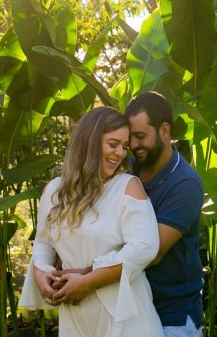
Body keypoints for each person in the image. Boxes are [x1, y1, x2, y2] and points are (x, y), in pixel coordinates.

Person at [18, 106, 164, 336]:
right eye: (113, 144)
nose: (120, 153)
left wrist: (87, 281)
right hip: (74, 312)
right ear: (90, 141)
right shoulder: (54, 191)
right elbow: (44, 242)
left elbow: (145, 248)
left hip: (122, 314)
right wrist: (42, 273)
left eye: (124, 147)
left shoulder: (127, 187)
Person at [125, 91, 205, 337]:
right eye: (130, 138)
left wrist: (87, 275)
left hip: (173, 315)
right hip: (133, 307)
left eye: (140, 136)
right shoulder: (127, 169)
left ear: (165, 131)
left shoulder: (185, 183)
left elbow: (153, 251)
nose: (134, 145)